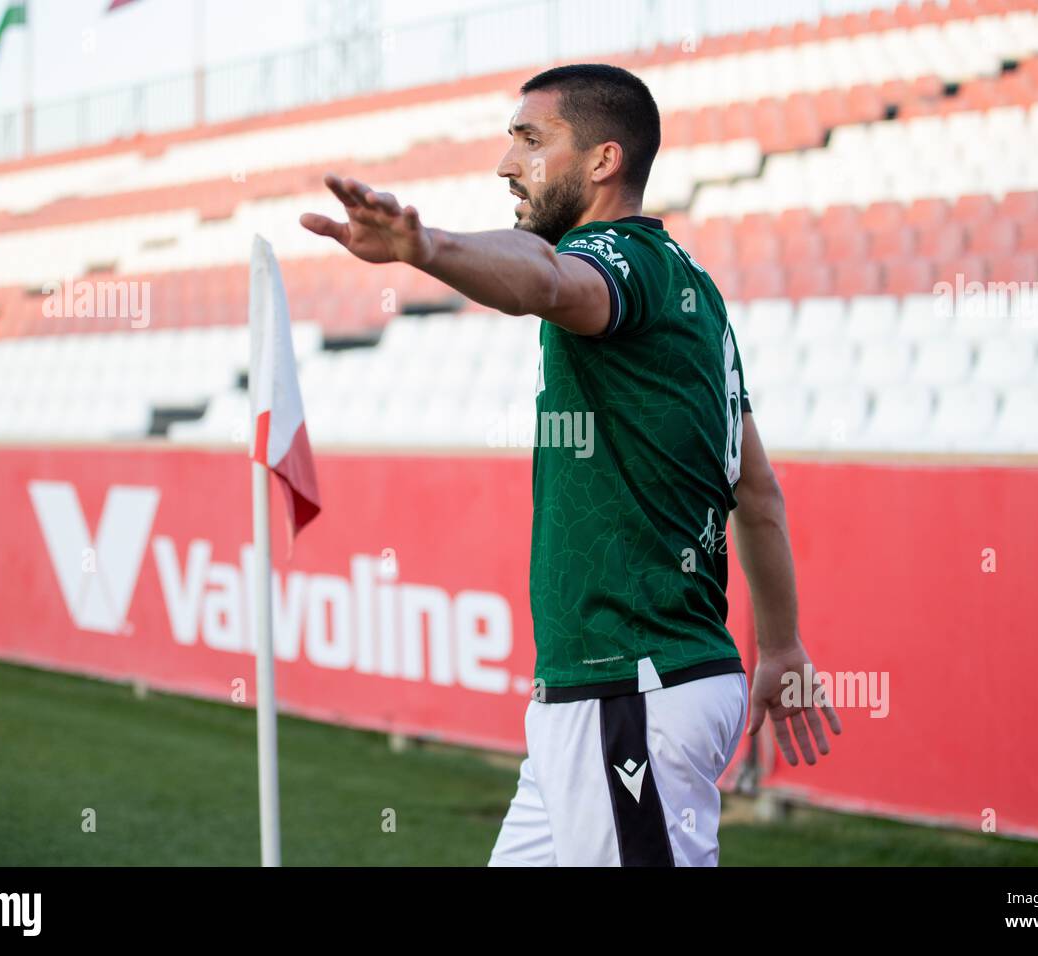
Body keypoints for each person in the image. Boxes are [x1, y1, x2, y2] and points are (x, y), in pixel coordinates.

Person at [301, 63, 840, 867]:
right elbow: (755, 491)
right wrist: (783, 647)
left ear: (602, 161)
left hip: (630, 688)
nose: (505, 164)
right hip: (610, 692)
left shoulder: (613, 258)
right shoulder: (692, 286)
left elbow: (550, 282)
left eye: (529, 139)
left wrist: (425, 247)